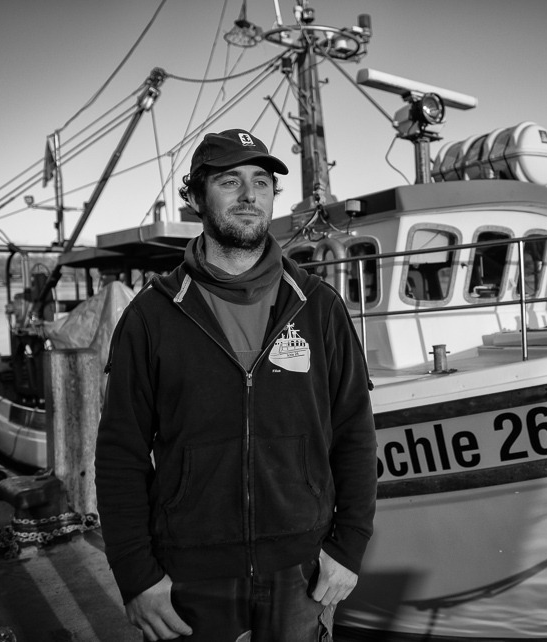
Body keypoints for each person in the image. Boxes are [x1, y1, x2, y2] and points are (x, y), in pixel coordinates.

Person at [95, 129, 377, 641]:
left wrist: (347, 548)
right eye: (230, 181)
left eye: (262, 182)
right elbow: (120, 454)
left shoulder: (319, 307)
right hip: (188, 575)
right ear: (197, 197)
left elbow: (355, 433)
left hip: (302, 571)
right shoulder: (151, 317)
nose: (250, 196)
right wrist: (136, 576)